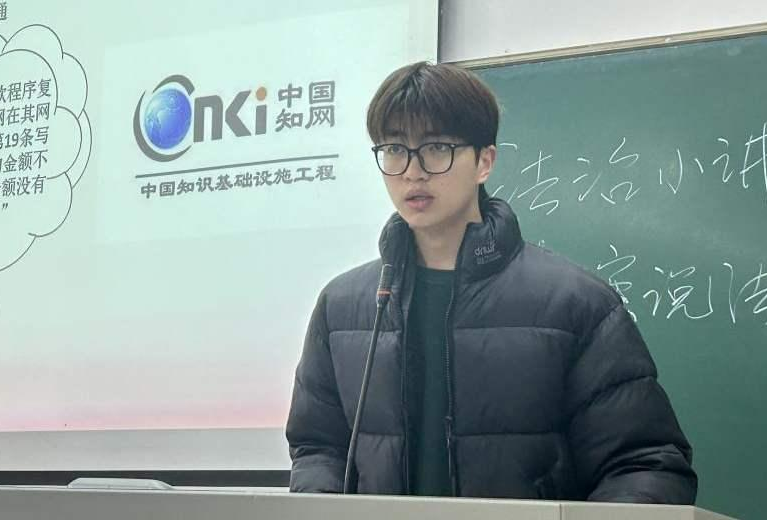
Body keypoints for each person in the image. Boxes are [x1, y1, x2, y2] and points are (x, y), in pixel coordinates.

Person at [286, 61, 697, 503]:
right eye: (394, 149)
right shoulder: (342, 307)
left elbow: (645, 464)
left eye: (436, 148)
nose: (412, 171)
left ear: (485, 161)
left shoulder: (575, 303)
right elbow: (318, 449)